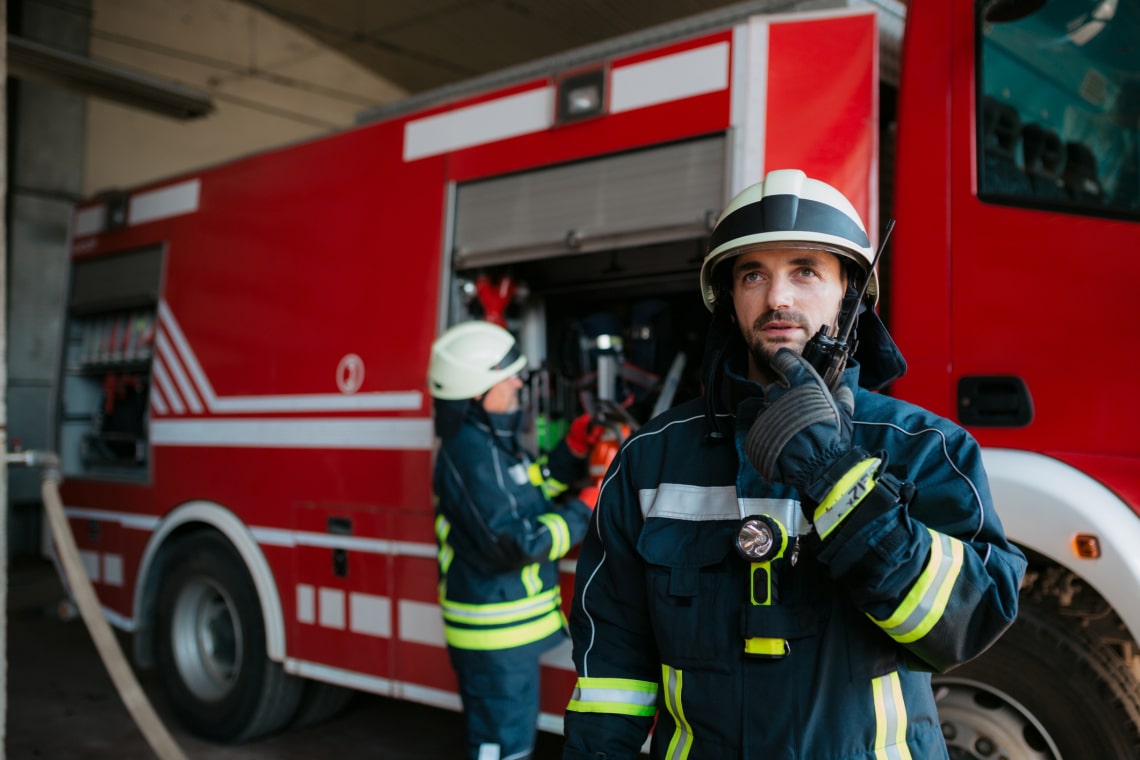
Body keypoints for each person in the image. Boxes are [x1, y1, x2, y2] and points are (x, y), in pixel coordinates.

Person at [561, 169, 1027, 759]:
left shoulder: (925, 447)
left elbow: (966, 622)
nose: (777, 297)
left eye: (806, 270)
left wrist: (834, 475)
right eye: (753, 274)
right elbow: (613, 671)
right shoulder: (649, 458)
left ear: (849, 292)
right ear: (729, 300)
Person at [428, 320, 600, 760]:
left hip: (507, 635)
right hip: (494, 638)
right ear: (476, 391)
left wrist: (571, 451)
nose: (519, 382)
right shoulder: (470, 454)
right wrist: (587, 504)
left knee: (512, 742)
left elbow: (526, 491)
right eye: (508, 375)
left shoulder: (488, 441)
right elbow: (517, 541)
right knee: (502, 748)